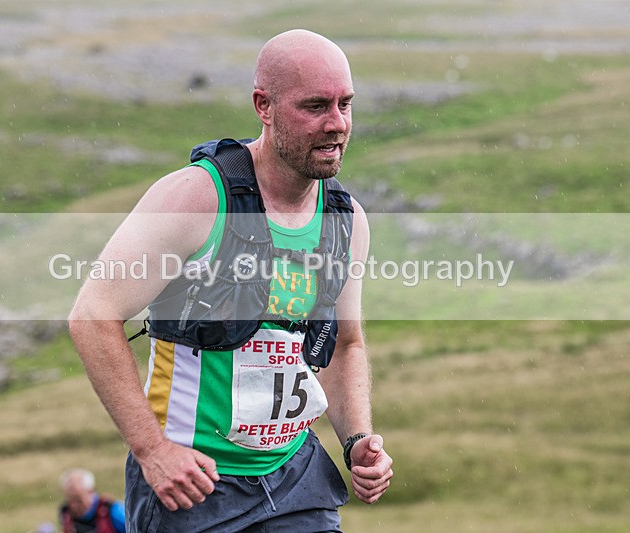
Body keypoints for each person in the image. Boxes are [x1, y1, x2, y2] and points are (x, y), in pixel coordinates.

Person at [68, 29, 393, 532]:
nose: (337, 125)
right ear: (263, 105)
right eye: (315, 107)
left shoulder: (345, 219)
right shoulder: (198, 199)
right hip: (193, 484)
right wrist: (153, 452)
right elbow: (93, 315)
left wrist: (357, 441)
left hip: (295, 478)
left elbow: (343, 344)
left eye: (345, 104)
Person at [59, 468, 127, 533]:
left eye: (78, 500)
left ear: (91, 492)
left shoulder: (113, 511)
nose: (73, 505)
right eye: (69, 500)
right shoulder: (66, 515)